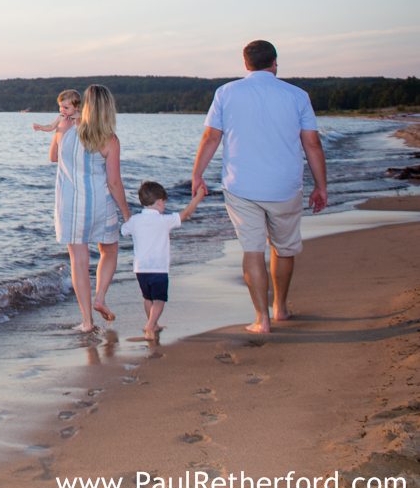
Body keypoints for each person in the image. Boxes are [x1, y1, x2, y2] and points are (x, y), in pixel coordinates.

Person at [190, 39, 328, 334]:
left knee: (252, 251)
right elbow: (312, 144)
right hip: (285, 186)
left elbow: (210, 138)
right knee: (284, 249)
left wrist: (197, 174)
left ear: (246, 64)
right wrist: (321, 186)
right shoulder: (297, 95)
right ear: (274, 62)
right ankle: (280, 308)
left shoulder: (226, 92)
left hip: (241, 186)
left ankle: (261, 319)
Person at [52, 83, 133, 333]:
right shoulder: (109, 139)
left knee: (79, 261)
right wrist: (126, 213)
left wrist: (60, 127)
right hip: (100, 204)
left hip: (70, 207)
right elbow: (114, 182)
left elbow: (53, 157)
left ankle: (87, 321)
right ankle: (100, 297)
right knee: (109, 250)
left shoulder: (66, 129)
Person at [120, 180, 205, 342]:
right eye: (164, 203)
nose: (164, 206)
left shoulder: (135, 220)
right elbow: (186, 214)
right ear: (159, 202)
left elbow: (124, 230)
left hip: (140, 269)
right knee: (159, 299)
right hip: (158, 268)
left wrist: (128, 217)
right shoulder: (164, 220)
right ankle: (150, 325)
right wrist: (198, 197)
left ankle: (153, 323)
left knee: (148, 298)